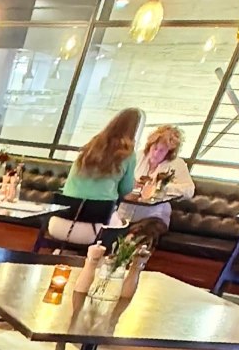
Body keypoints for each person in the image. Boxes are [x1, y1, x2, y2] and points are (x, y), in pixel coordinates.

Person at [47, 107, 143, 246]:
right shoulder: (127, 154)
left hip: (57, 225)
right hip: (93, 231)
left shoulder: (90, 146)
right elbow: (126, 189)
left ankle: (62, 251)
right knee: (123, 228)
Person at [115, 124, 195, 250]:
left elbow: (189, 190)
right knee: (109, 229)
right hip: (124, 213)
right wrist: (129, 183)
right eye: (155, 148)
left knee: (141, 235)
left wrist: (161, 187)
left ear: (169, 152)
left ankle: (130, 256)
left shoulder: (177, 164)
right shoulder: (137, 157)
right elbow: (117, 177)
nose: (156, 153)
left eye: (162, 151)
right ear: (149, 145)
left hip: (154, 217)